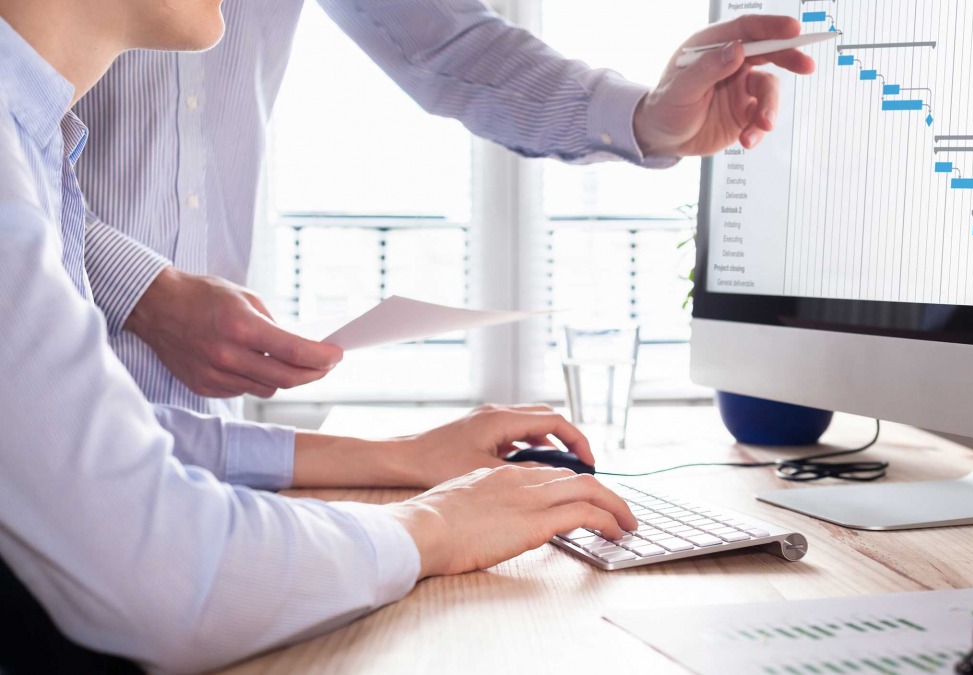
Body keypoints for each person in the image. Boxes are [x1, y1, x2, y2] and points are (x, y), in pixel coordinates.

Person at [0, 2, 815, 673]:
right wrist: (433, 527)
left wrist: (399, 460)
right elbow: (168, 572)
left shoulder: (38, 143)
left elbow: (120, 449)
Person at [76, 0, 816, 418]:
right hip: (38, 401)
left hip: (200, 429)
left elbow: (449, 47)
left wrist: (649, 117)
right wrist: (140, 291)